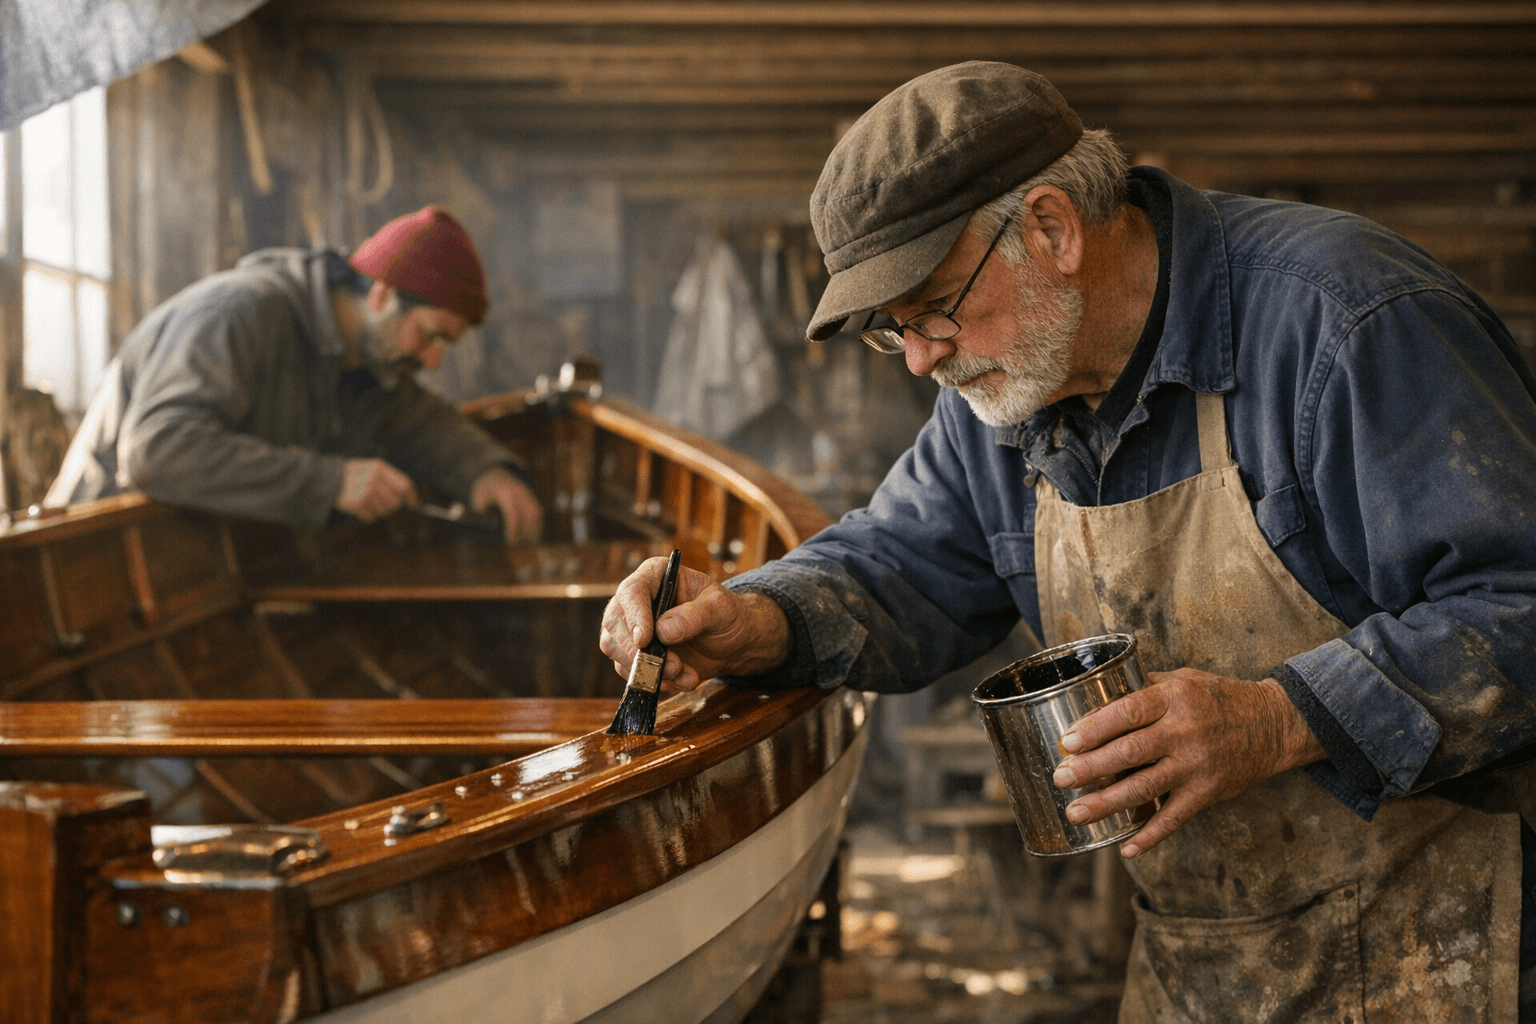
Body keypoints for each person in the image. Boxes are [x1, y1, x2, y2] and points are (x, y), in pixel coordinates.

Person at [599, 62, 1536, 1022]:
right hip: (1201, 959)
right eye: (895, 332)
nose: (921, 357)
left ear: (1051, 228)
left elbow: (1521, 600)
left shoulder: (1344, 321)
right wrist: (756, 618)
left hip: (1447, 948)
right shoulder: (1000, 396)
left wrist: (1279, 718)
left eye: (931, 308)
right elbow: (899, 561)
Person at [45, 205, 541, 544]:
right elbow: (158, 451)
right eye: (432, 336)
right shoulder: (239, 315)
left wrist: (485, 471)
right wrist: (332, 483)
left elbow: (415, 417)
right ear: (383, 296)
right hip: (96, 556)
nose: (433, 360)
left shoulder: (362, 357)